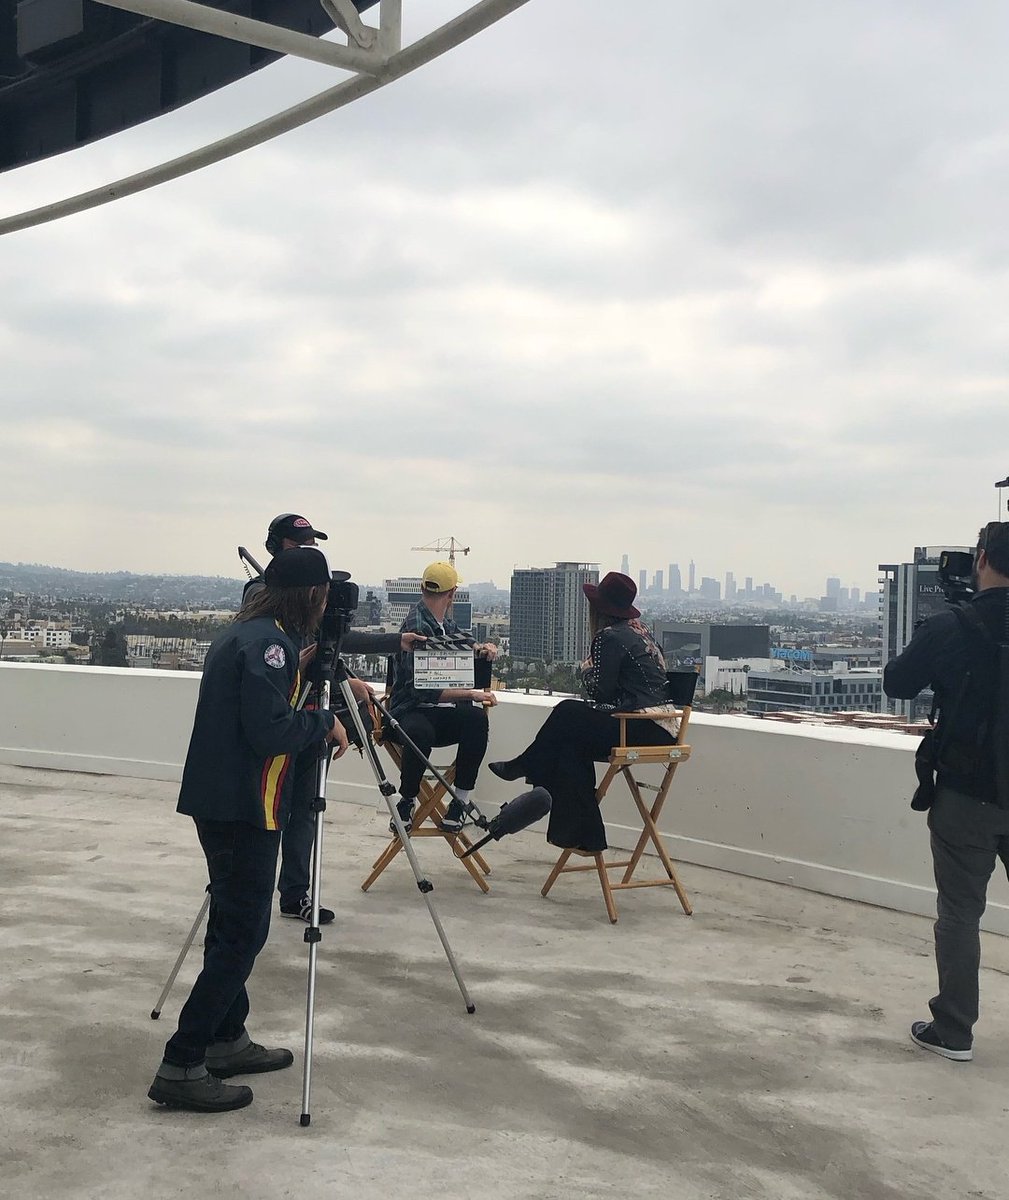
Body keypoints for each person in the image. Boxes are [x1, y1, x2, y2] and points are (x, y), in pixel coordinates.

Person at [148, 547, 349, 1113]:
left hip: (221, 800)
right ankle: (183, 1061)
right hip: (243, 806)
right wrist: (324, 722)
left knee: (229, 925)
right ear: (311, 595)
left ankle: (225, 1037)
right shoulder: (270, 645)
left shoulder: (249, 634)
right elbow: (269, 730)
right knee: (242, 937)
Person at [249, 514, 425, 924]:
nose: (308, 548)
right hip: (282, 719)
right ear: (278, 547)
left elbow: (329, 638)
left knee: (308, 806)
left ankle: (296, 893)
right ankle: (253, 891)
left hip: (312, 717)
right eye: (300, 543)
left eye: (312, 542)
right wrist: (349, 678)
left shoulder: (305, 597)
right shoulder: (261, 597)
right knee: (270, 807)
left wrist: (394, 642)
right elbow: (297, 651)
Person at [883, 521, 1009, 1063]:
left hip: (968, 792)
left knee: (960, 912)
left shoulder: (952, 626)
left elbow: (897, 684)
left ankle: (954, 1031)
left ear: (982, 558)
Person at [489, 571, 677, 853]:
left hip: (638, 726)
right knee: (569, 748)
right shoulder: (640, 631)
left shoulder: (608, 637)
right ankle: (585, 837)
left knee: (566, 711)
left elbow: (600, 693)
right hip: (662, 729)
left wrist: (586, 669)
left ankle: (529, 767)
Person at [388, 561, 497, 834]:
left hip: (439, 710)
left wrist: (481, 648)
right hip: (412, 709)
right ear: (452, 594)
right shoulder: (417, 625)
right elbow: (421, 690)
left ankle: (460, 801)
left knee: (475, 721)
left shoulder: (439, 621)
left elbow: (458, 637)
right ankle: (408, 799)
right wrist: (470, 693)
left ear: (423, 588)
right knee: (419, 732)